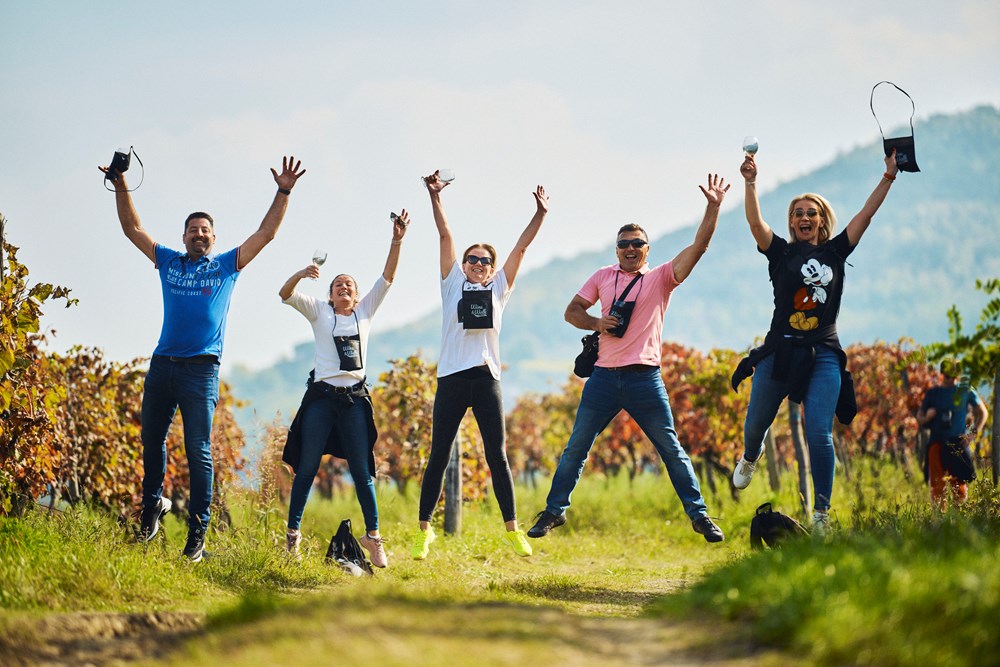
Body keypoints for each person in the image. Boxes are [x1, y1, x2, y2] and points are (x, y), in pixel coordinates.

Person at [100, 155, 306, 561]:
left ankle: (197, 535)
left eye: (205, 230)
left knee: (199, 452)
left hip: (200, 371)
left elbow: (265, 233)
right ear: (184, 236)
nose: (199, 234)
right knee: (151, 441)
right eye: (193, 230)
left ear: (213, 237)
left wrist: (283, 191)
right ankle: (153, 506)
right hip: (163, 365)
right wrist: (120, 181)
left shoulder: (227, 266)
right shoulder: (168, 262)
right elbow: (132, 228)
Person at [528, 174, 731, 544]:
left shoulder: (661, 279)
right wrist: (597, 322)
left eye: (637, 243)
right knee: (576, 446)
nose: (630, 249)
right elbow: (571, 312)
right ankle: (554, 512)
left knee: (671, 448)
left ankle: (700, 516)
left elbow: (698, 247)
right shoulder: (603, 276)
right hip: (604, 378)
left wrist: (713, 207)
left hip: (644, 378)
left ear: (647, 249)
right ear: (616, 249)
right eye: (624, 244)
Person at [729, 149, 899, 533]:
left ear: (822, 221)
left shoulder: (836, 252)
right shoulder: (781, 253)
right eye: (798, 213)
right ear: (791, 222)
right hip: (780, 350)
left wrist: (888, 176)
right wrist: (751, 181)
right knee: (756, 423)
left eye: (811, 213)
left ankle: (821, 514)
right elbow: (756, 224)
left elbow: (865, 216)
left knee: (818, 430)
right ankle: (750, 457)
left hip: (823, 352)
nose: (804, 218)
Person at [411, 171, 548, 560]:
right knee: (439, 454)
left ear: (491, 268)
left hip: (486, 379)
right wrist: (435, 197)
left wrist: (539, 215)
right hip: (452, 379)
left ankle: (512, 529)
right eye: (471, 259)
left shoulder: (499, 288)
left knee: (497, 456)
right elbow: (444, 235)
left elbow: (521, 249)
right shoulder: (451, 283)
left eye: (484, 261)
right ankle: (424, 531)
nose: (477, 264)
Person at [278, 210, 410, 566]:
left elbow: (388, 278)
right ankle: (293, 536)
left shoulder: (364, 312)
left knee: (363, 472)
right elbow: (284, 293)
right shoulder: (319, 311)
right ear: (330, 294)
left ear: (356, 293)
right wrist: (303, 273)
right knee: (307, 468)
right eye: (338, 285)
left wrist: (397, 240)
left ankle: (374, 537)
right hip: (322, 400)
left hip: (353, 401)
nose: (345, 288)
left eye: (349, 284)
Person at [916, 358, 988, 509]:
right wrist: (928, 416)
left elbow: (983, 413)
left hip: (958, 443)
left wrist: (972, 434)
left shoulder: (965, 391)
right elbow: (920, 418)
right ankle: (939, 520)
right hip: (937, 443)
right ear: (943, 374)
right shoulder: (933, 394)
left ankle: (958, 517)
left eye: (954, 376)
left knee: (959, 485)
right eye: (948, 376)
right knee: (937, 485)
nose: (951, 380)